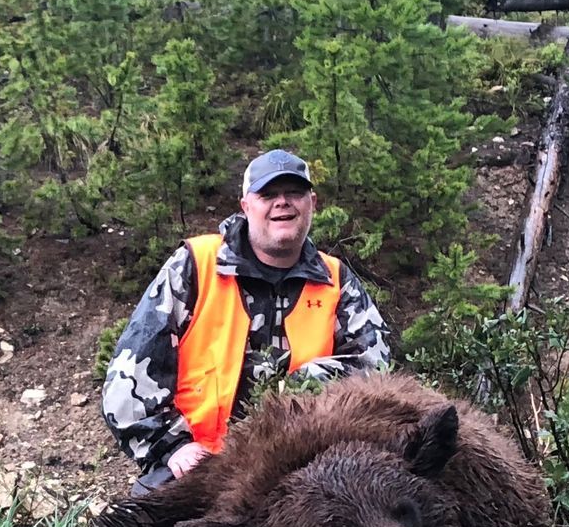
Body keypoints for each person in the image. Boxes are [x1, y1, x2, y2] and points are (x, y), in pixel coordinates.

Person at [103, 149, 393, 495]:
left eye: (294, 193)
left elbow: (376, 373)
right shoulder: (196, 265)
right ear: (245, 206)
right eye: (268, 194)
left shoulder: (335, 280)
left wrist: (307, 385)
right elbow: (128, 378)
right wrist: (171, 446)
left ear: (312, 202)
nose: (282, 203)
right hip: (201, 465)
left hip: (306, 472)